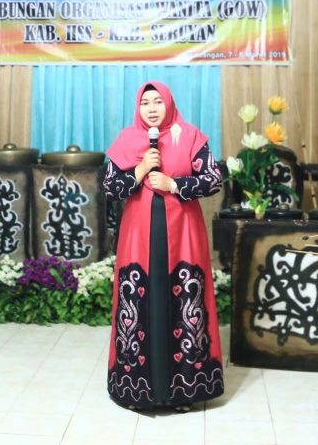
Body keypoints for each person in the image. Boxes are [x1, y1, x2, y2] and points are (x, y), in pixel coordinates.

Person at [103, 81, 224, 411]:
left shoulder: (190, 136)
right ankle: (137, 391)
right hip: (138, 233)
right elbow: (111, 187)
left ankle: (184, 390)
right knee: (141, 301)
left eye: (158, 101)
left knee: (182, 300)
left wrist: (174, 184)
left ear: (169, 104)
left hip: (183, 232)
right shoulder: (127, 139)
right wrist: (141, 170)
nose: (152, 108)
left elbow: (213, 179)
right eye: (145, 103)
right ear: (138, 108)